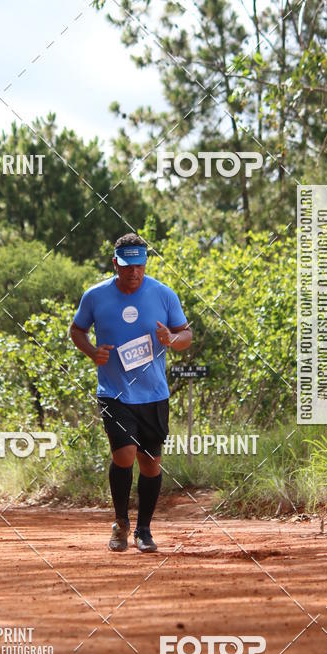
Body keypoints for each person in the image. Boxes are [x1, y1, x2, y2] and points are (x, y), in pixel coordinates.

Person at [70, 233, 192, 553]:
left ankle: (144, 529)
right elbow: (76, 330)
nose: (133, 273)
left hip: (153, 393)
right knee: (123, 455)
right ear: (115, 264)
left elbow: (186, 334)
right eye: (126, 267)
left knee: (150, 464)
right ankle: (120, 523)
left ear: (145, 263)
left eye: (139, 266)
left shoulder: (163, 294)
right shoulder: (95, 296)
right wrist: (92, 351)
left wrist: (172, 340)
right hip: (114, 392)